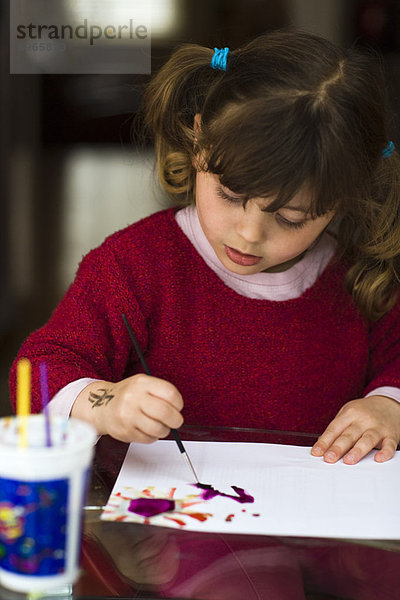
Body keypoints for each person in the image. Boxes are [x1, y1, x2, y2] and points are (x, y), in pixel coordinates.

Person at [9, 29, 400, 465]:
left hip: (315, 525)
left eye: (291, 217)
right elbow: (42, 368)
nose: (249, 234)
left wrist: (388, 404)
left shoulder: (362, 277)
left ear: (344, 198)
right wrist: (107, 401)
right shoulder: (134, 266)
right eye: (231, 196)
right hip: (155, 521)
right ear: (198, 139)